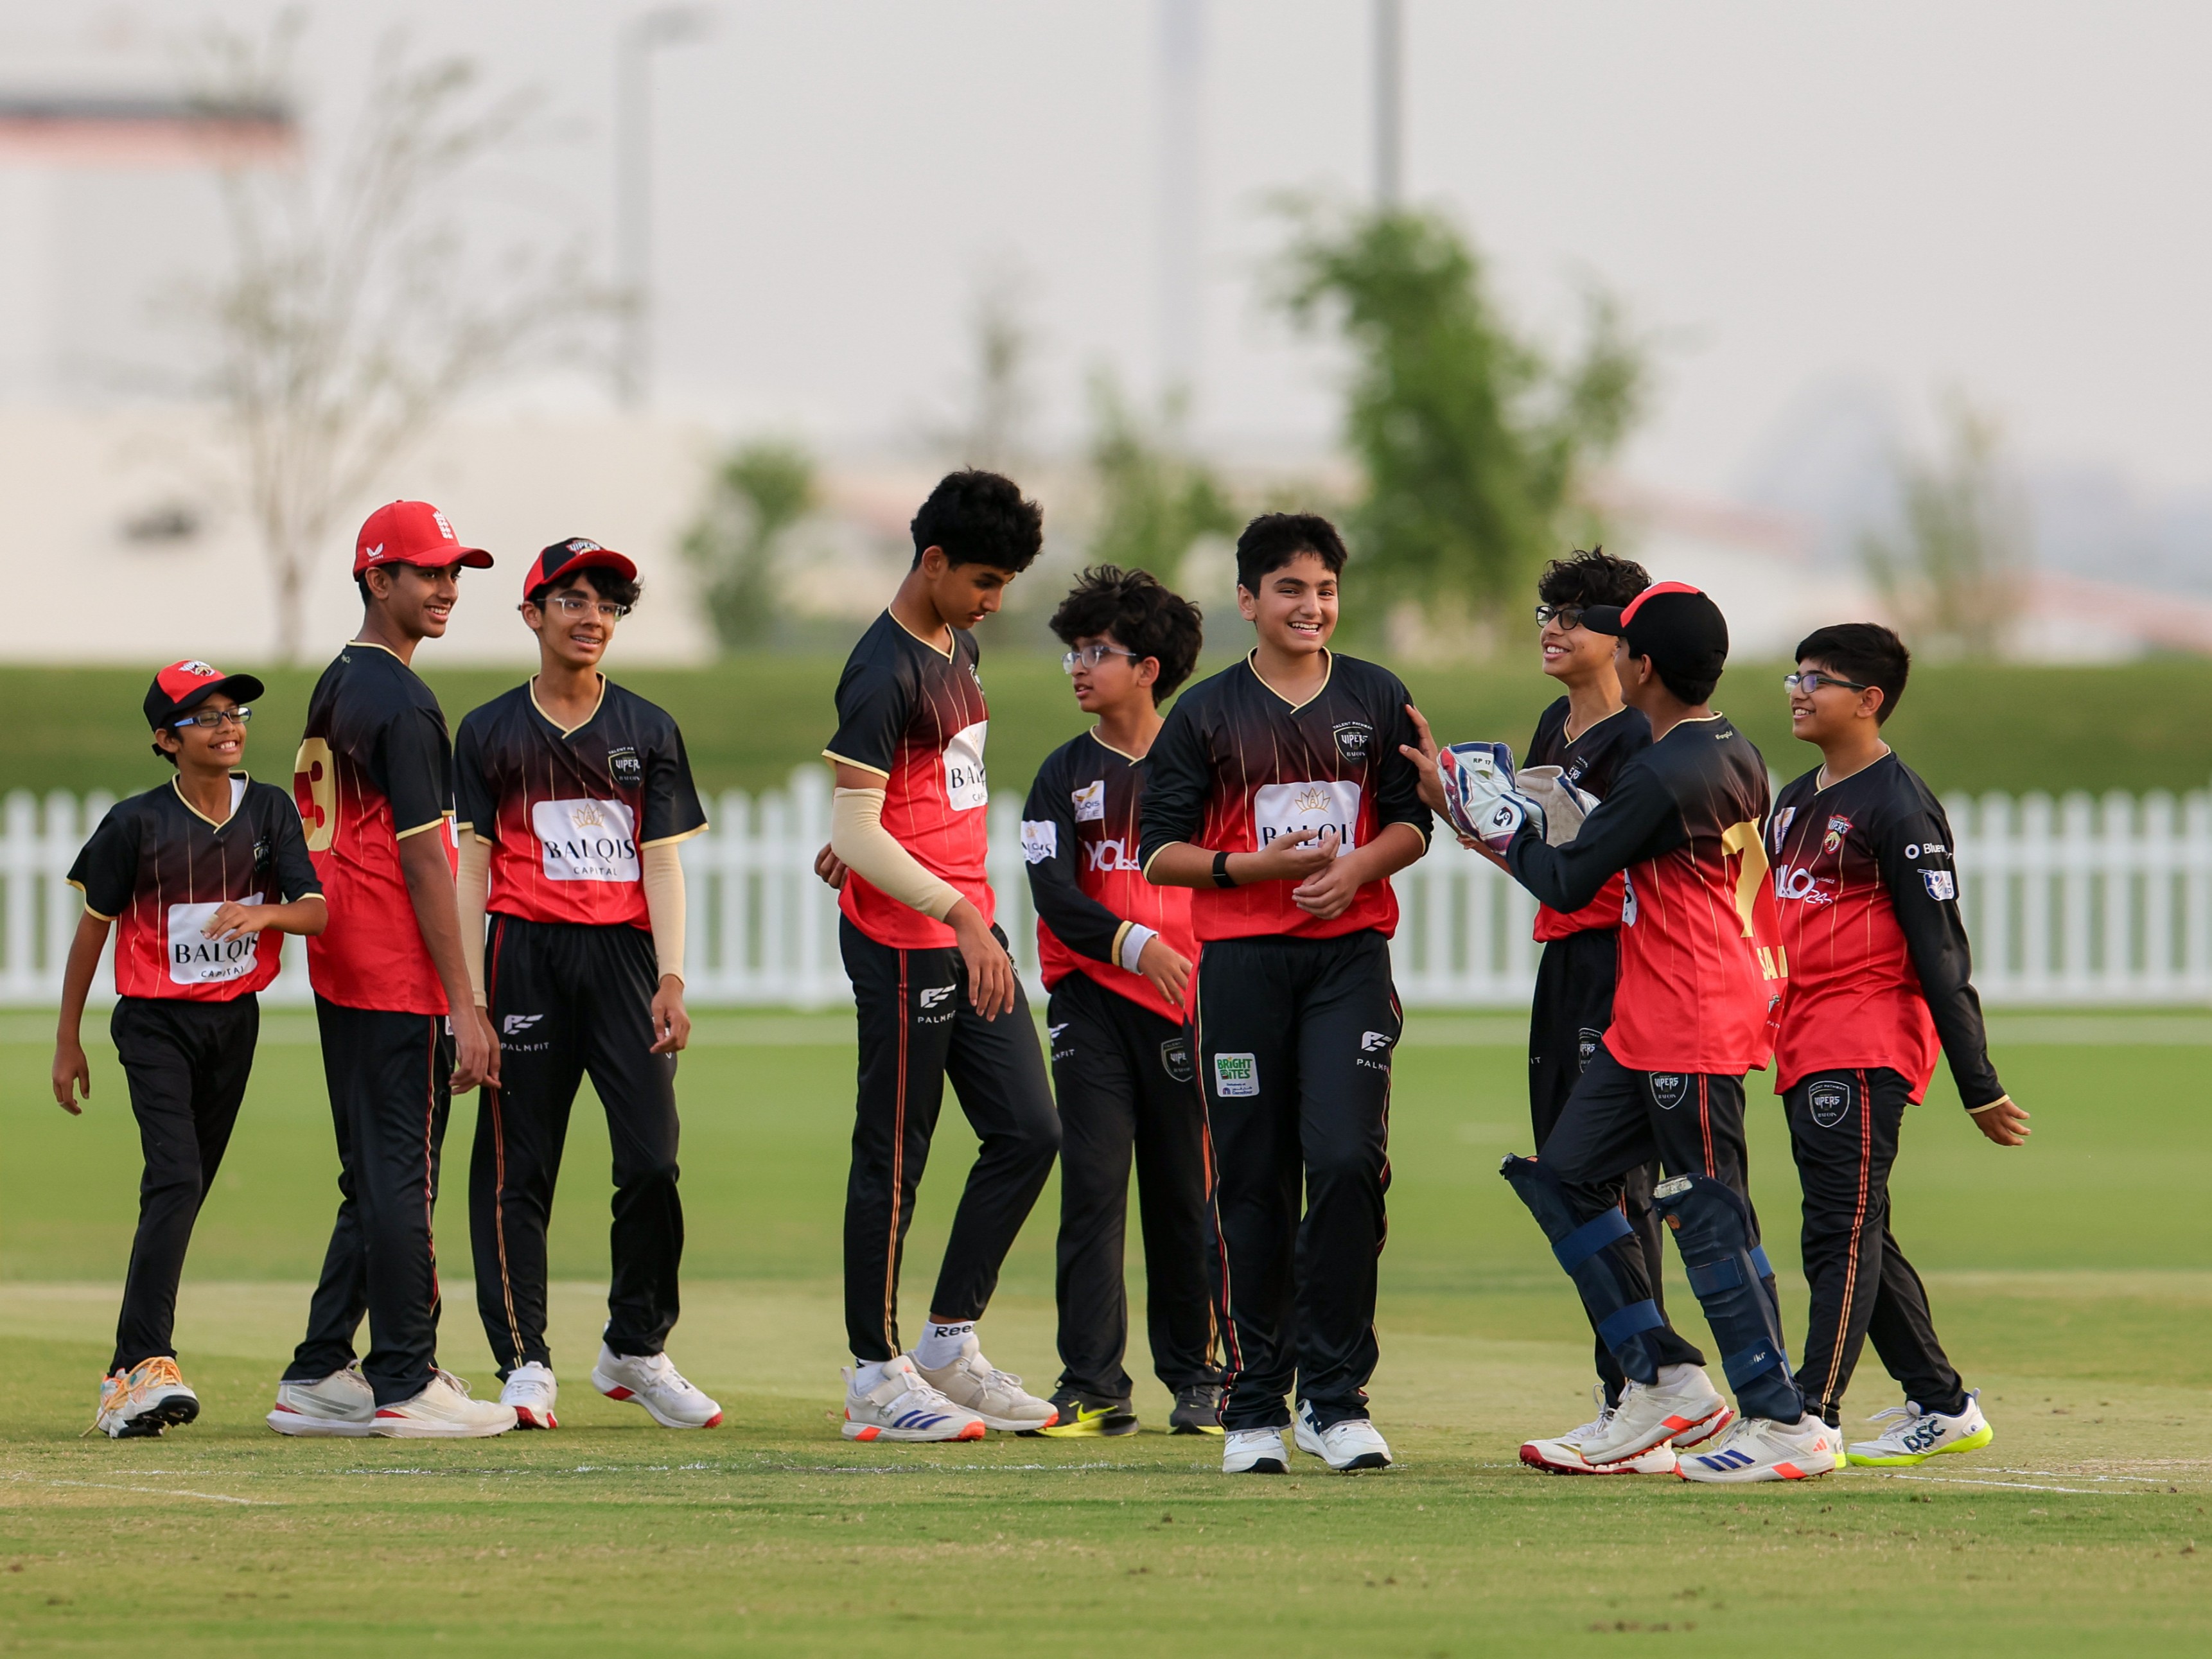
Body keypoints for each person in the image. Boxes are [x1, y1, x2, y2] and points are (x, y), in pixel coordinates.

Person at [1418, 581, 1830, 1484]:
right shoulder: (1726, 742)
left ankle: (1782, 1419)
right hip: (1651, 1013)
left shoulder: (1660, 770)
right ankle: (1666, 1379)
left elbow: (1568, 882)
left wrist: (1483, 815)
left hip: (1694, 1009)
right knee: (1565, 1177)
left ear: (1641, 665)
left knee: (1709, 1211)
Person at [1139, 512, 1431, 1477]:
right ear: (1248, 600)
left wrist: (1355, 871)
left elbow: (1412, 822)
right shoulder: (1205, 712)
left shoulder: (1377, 694)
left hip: (1349, 962)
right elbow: (1159, 850)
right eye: (1292, 589)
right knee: (1253, 1179)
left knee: (1346, 1161)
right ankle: (1257, 1402)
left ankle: (1336, 1400)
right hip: (1242, 971)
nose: (1313, 606)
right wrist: (1251, 868)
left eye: (1326, 589)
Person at [814, 470, 1062, 1443]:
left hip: (964, 928)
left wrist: (889, 854)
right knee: (894, 1155)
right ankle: (875, 1375)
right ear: (933, 561)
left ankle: (949, 1344)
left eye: (1005, 584)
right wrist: (952, 907)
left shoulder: (960, 647)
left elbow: (901, 801)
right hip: (907, 940)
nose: (995, 601)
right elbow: (859, 825)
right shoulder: (882, 669)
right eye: (984, 581)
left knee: (1029, 1130)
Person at [453, 538, 720, 1432]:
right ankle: (524, 1361)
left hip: (624, 963)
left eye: (607, 603)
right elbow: (473, 867)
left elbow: (661, 862)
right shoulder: (488, 730)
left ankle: (635, 1346)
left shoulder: (649, 727)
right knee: (516, 1167)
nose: (592, 617)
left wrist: (672, 976)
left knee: (651, 1159)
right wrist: (471, 1000)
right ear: (532, 614)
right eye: (572, 600)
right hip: (524, 955)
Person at [270, 500, 516, 1439]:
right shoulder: (404, 701)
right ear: (378, 579)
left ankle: (318, 1370)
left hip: (345, 960)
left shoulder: (342, 679)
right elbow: (424, 859)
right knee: (403, 1177)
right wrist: (466, 1002)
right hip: (394, 967)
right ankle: (407, 1375)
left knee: (373, 1174)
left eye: (455, 572)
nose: (447, 588)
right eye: (428, 572)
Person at [1768, 624, 2027, 1466]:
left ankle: (1807, 1417)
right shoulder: (1793, 800)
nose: (1799, 691)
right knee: (1860, 1228)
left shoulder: (1899, 805)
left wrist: (1979, 1082)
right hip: (1805, 1036)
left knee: (1835, 1232)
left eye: (1818, 679)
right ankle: (1942, 1404)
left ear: (1869, 700)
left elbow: (1941, 950)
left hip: (1865, 1038)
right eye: (1796, 675)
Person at [55, 662, 326, 1438]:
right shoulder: (135, 824)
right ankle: (151, 1361)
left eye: (234, 712)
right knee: (175, 1178)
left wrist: (263, 914)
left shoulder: (269, 809)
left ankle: (125, 1377)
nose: (228, 725)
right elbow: (93, 931)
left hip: (234, 1025)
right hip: (154, 1026)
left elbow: (314, 911)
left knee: (183, 1189)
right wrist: (69, 1039)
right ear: (166, 740)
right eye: (206, 717)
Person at [1019, 565, 1222, 1437]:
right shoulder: (1062, 773)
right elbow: (1053, 892)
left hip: (1189, 1005)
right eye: (1073, 651)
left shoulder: (1207, 762)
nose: (1078, 667)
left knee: (1186, 1196)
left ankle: (1200, 1380)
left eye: (1097, 651)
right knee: (1093, 1187)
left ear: (1148, 668)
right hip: (1091, 1001)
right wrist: (1134, 945)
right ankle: (1094, 1383)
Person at [1497, 550, 1678, 1476]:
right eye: (1547, 613)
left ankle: (1645, 1395)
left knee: (1612, 1182)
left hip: (1623, 962)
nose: (1552, 629)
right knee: (1567, 1176)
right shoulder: (1554, 724)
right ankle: (1631, 1391)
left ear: (1623, 635)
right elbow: (1545, 854)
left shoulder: (1645, 736)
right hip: (1564, 956)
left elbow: (1607, 863)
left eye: (1574, 616)